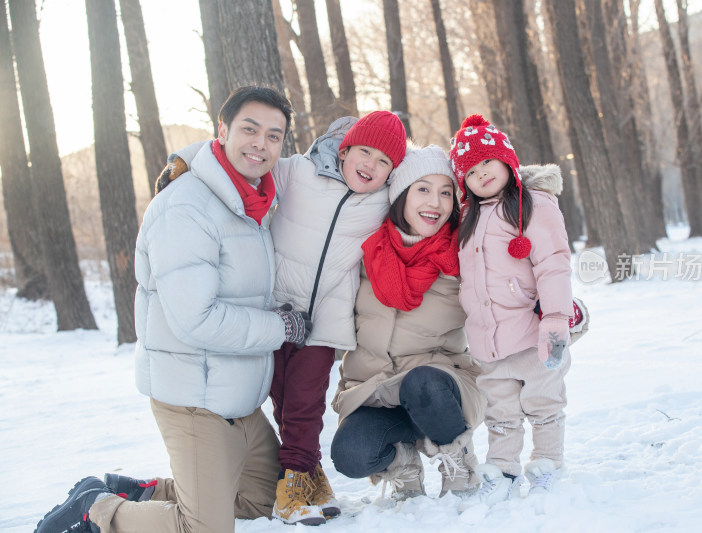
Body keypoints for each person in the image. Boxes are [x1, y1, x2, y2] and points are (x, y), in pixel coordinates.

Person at [34, 86, 312, 533]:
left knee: (263, 498)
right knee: (203, 528)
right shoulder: (186, 208)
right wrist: (281, 326)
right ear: (221, 130)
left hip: (235, 398)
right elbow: (196, 319)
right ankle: (97, 512)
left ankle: (131, 490)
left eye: (275, 136)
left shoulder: (253, 203)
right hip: (193, 398)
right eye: (250, 129)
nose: (262, 143)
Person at [153, 110, 407, 525]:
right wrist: (183, 162)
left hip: (325, 319)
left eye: (384, 162)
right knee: (282, 399)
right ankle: (308, 469)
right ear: (344, 149)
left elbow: (428, 182)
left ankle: (294, 481)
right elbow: (243, 166)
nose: (371, 166)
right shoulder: (296, 172)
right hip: (272, 309)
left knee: (306, 403)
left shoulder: (383, 199)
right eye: (364, 152)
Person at [330, 144, 484, 501]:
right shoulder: (366, 253)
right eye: (424, 189)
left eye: (446, 192)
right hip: (375, 391)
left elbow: (509, 295)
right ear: (401, 195)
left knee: (423, 382)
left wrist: (557, 314)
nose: (436, 202)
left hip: (441, 388)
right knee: (350, 456)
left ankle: (458, 463)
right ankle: (402, 463)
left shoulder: (462, 256)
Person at [449, 114, 588, 510]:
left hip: (533, 333)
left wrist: (557, 319)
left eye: (487, 163)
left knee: (544, 404)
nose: (481, 175)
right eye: (471, 171)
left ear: (506, 161)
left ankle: (547, 466)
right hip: (489, 340)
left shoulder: (534, 205)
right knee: (501, 412)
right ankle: (502, 469)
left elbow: (554, 263)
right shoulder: (469, 218)